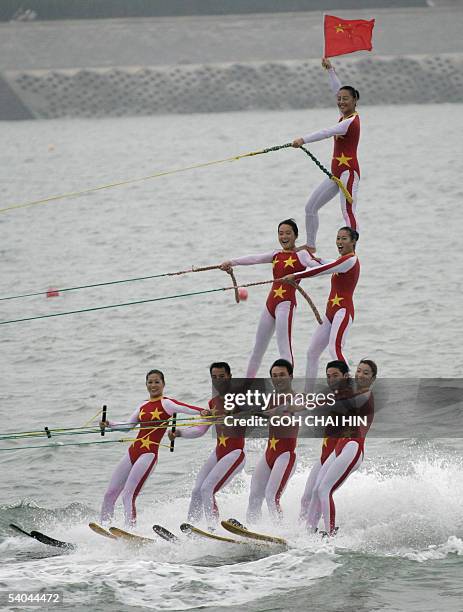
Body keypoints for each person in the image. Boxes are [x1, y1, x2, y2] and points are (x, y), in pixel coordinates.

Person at [100, 369, 206, 526]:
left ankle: (130, 531)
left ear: (163, 384)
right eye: (150, 382)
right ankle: (103, 527)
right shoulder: (143, 405)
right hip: (133, 451)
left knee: (128, 495)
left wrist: (203, 411)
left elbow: (185, 407)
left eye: (157, 382)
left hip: (148, 454)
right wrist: (109, 424)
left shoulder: (167, 403)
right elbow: (128, 426)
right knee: (110, 494)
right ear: (146, 384)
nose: (153, 385)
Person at [220, 219, 313, 377]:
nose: (284, 236)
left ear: (296, 235)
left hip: (286, 305)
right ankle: (247, 386)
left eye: (288, 233)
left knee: (284, 347)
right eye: (281, 233)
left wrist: (340, 265)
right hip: (270, 304)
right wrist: (231, 262)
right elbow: (254, 258)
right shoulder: (276, 254)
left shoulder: (302, 255)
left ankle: (288, 389)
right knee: (258, 348)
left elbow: (320, 266)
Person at [292, 57, 361, 251]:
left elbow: (326, 132)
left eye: (345, 99)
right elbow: (337, 89)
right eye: (339, 99)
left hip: (348, 173)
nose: (341, 102)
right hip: (335, 174)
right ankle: (311, 245)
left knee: (347, 212)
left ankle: (352, 248)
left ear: (355, 100)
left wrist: (302, 140)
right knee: (310, 208)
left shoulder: (350, 122)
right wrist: (330, 70)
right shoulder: (344, 115)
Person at [169, 362, 246, 530]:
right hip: (219, 453)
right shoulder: (213, 403)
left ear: (230, 377)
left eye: (222, 377)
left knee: (207, 489)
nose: (218, 380)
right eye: (214, 378)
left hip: (235, 454)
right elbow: (200, 430)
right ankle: (191, 529)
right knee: (197, 490)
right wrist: (180, 433)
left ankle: (213, 529)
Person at [304, 359, 377, 536]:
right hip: (339, 447)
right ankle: (308, 532)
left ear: (373, 379)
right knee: (315, 491)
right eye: (359, 371)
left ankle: (330, 534)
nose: (361, 375)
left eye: (366, 373)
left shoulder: (365, 396)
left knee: (324, 489)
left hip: (353, 447)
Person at [282, 226, 360, 386]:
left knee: (334, 349)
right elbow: (321, 262)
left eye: (344, 238)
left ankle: (349, 386)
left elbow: (323, 269)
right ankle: (308, 394)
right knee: (312, 352)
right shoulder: (340, 261)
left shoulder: (350, 260)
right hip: (330, 313)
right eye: (338, 238)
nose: (339, 242)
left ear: (353, 242)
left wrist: (295, 276)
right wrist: (306, 254)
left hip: (343, 311)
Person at [247, 359, 299, 523]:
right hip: (269, 455)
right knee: (254, 496)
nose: (278, 379)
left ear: (290, 376)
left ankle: (280, 531)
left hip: (285, 456)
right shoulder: (272, 399)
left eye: (282, 375)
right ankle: (251, 529)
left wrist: (262, 413)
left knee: (271, 496)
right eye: (275, 376)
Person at [299, 360, 352, 524]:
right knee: (306, 498)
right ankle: (299, 532)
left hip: (337, 456)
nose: (331, 379)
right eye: (328, 376)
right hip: (324, 455)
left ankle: (314, 532)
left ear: (345, 376)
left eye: (335, 375)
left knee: (319, 492)